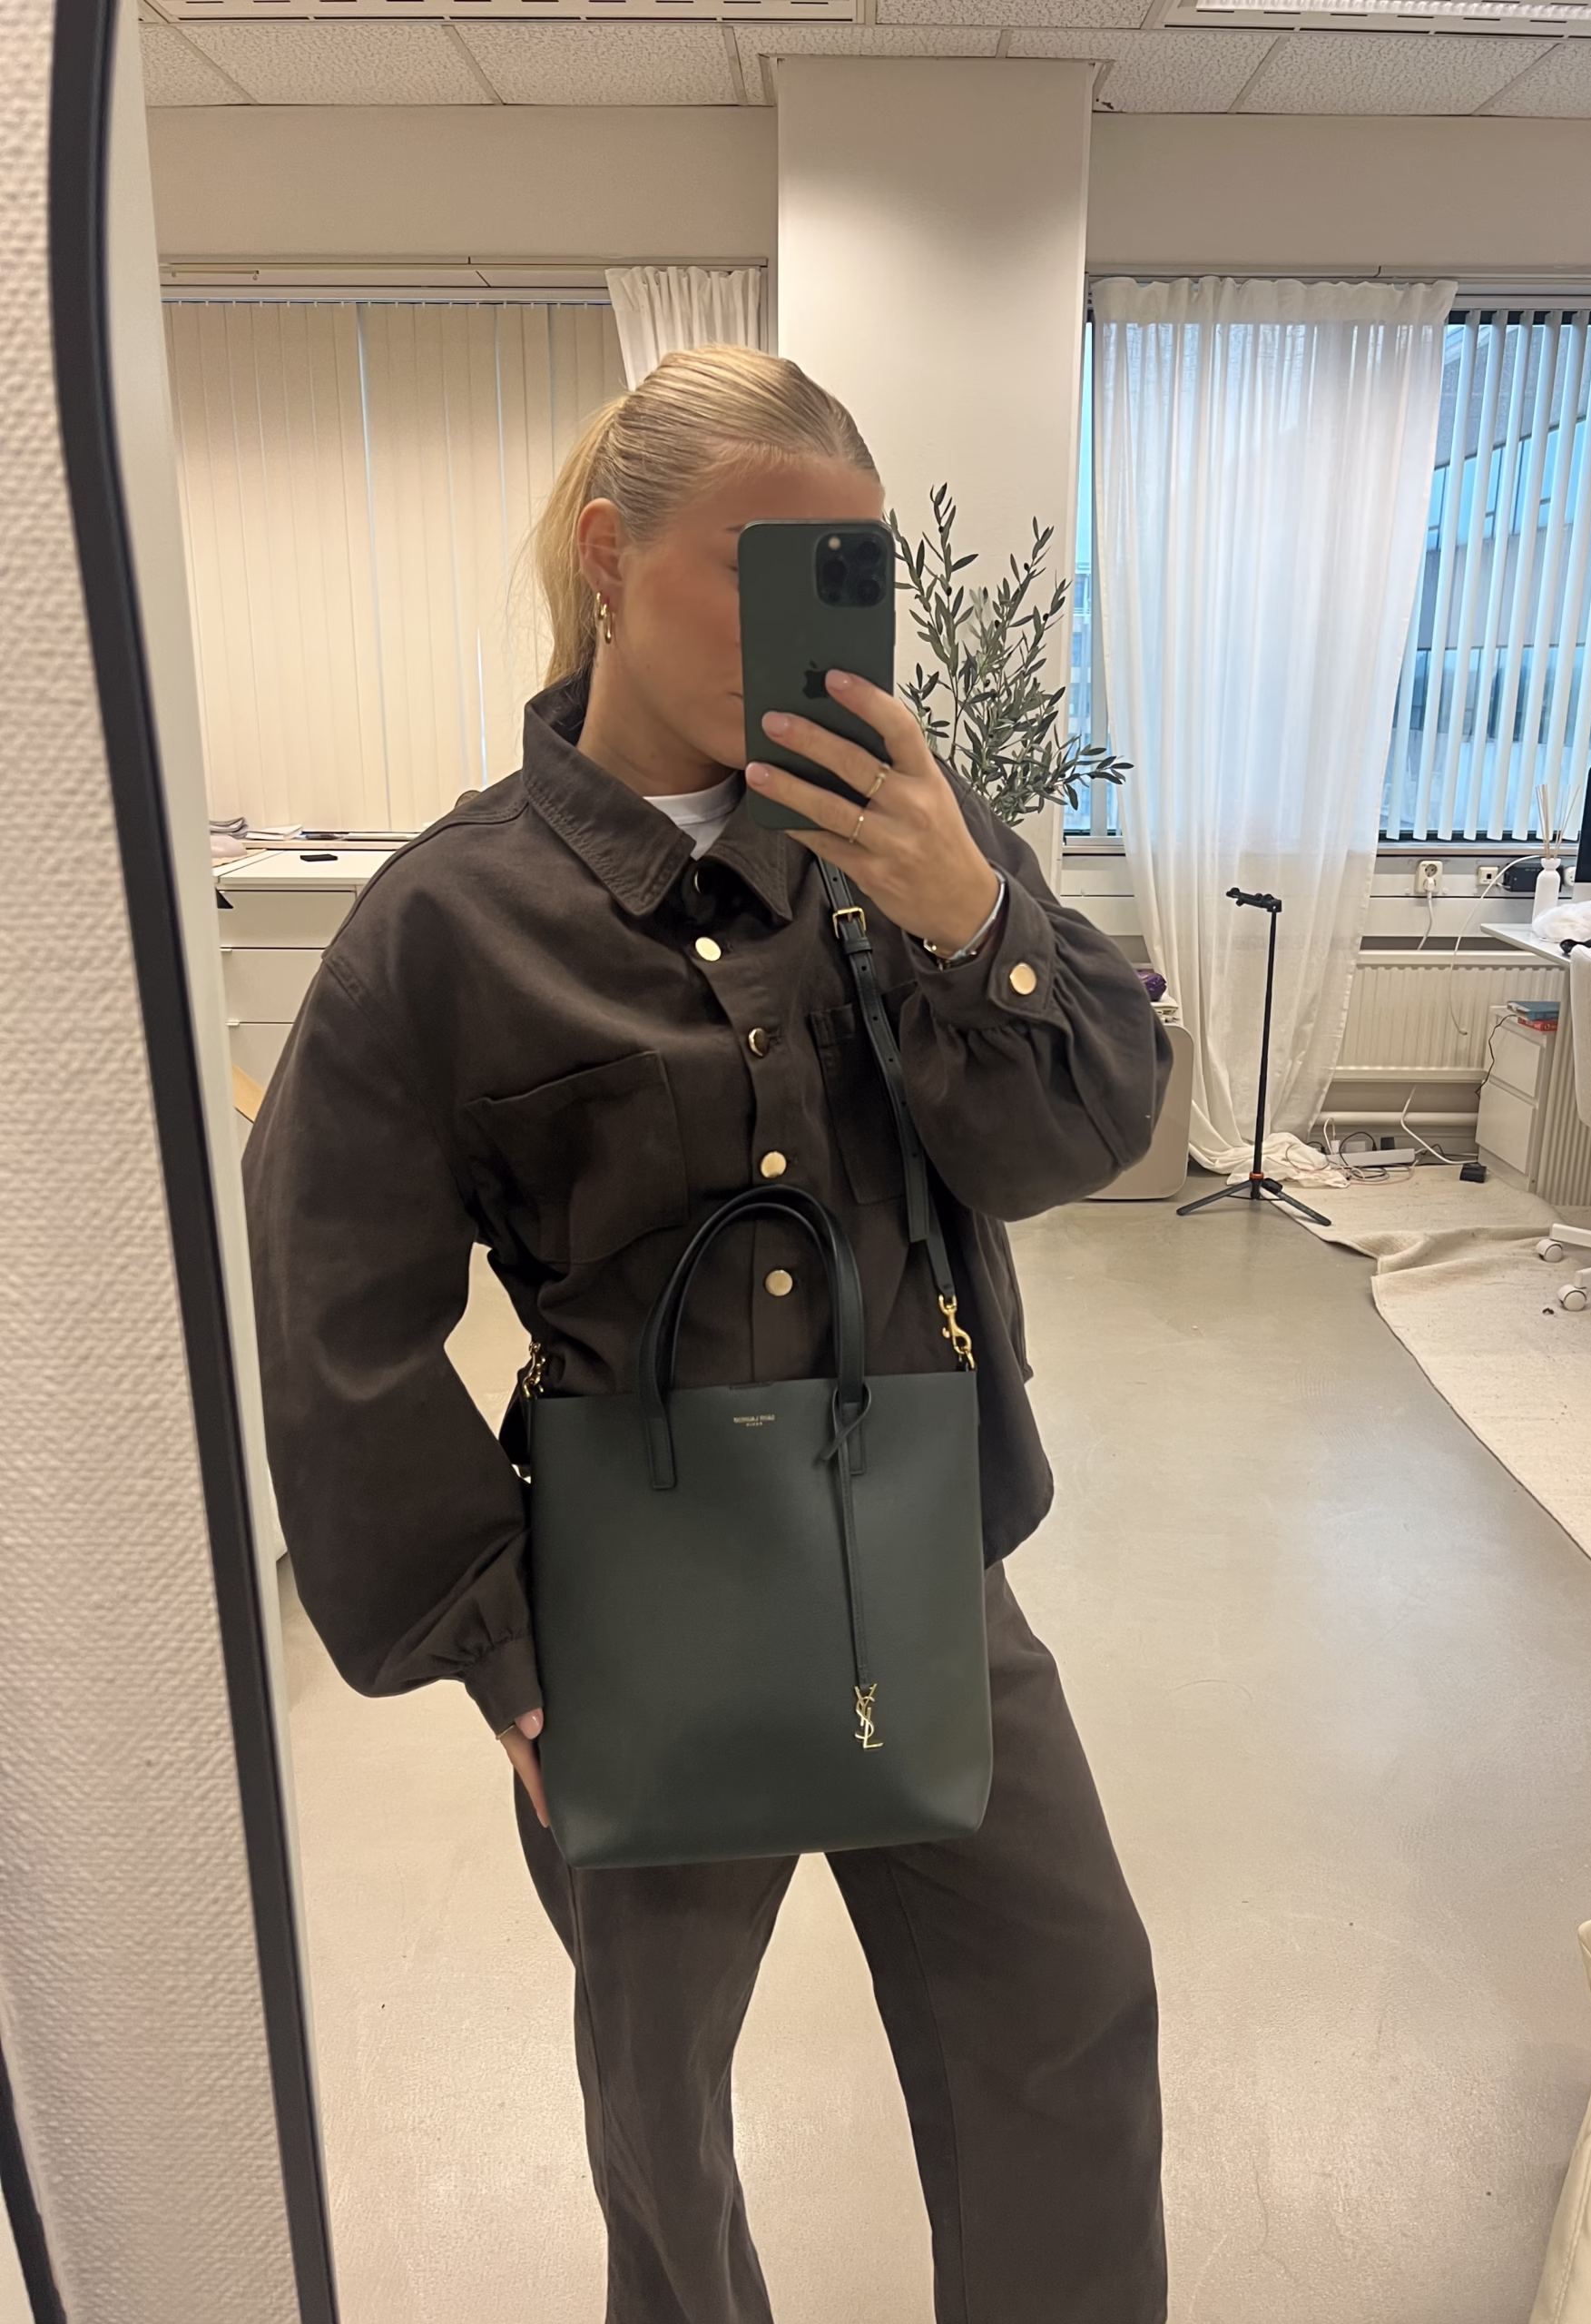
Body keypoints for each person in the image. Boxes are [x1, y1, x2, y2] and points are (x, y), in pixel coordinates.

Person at [244, 345, 1170, 2323]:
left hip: (923, 1562)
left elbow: (1077, 1135)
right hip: (632, 1619)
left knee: (1068, 2021)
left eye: (847, 575)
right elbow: (331, 1317)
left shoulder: (907, 838)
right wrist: (498, 1649)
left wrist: (966, 916)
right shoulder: (448, 925)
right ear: (609, 557)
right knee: (659, 2125)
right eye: (760, 568)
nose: (809, 624)